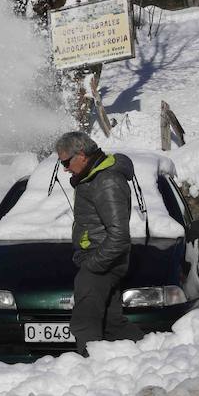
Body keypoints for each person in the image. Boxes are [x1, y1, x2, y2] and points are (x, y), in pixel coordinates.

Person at [55, 131, 144, 356]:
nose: (64, 168)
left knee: (84, 324)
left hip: (103, 260)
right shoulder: (94, 177)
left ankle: (90, 370)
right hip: (101, 258)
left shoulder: (106, 181)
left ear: (82, 155)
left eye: (66, 161)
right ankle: (148, 355)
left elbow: (119, 234)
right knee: (112, 324)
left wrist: (94, 264)